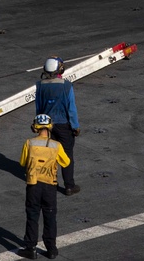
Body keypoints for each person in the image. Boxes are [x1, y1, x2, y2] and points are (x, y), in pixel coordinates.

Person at [19, 114, 71, 260]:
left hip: (33, 186)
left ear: (35, 127)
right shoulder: (56, 145)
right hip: (50, 187)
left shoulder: (29, 143)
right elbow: (66, 162)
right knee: (50, 217)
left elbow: (22, 162)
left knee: (32, 215)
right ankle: (52, 249)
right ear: (50, 127)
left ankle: (30, 248)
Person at [35, 56, 80, 196]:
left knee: (50, 155)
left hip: (47, 126)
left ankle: (50, 183)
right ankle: (69, 186)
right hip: (64, 126)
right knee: (67, 156)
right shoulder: (66, 86)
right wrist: (75, 126)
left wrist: (38, 125)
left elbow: (39, 108)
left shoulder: (40, 85)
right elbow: (71, 108)